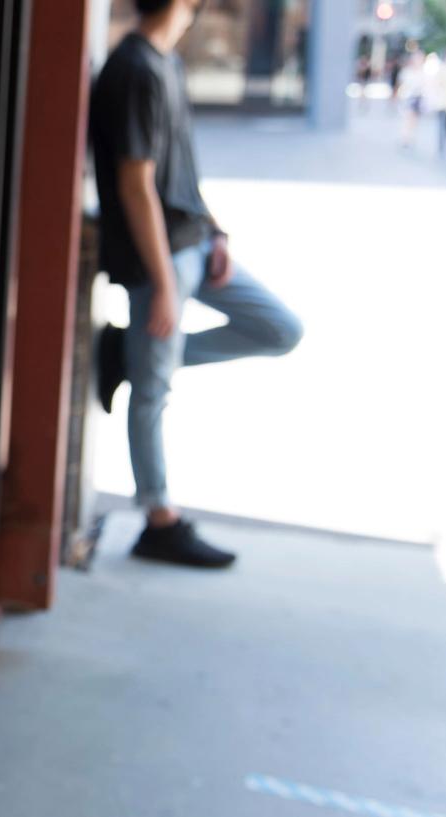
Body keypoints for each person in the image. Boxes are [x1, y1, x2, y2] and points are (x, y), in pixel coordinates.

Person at [90, 0, 303, 568]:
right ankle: (158, 521)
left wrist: (216, 232)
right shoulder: (133, 68)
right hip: (157, 258)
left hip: (195, 243)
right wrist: (162, 283)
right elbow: (135, 186)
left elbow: (178, 170)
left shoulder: (166, 61)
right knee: (153, 394)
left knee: (279, 329)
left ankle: (131, 354)